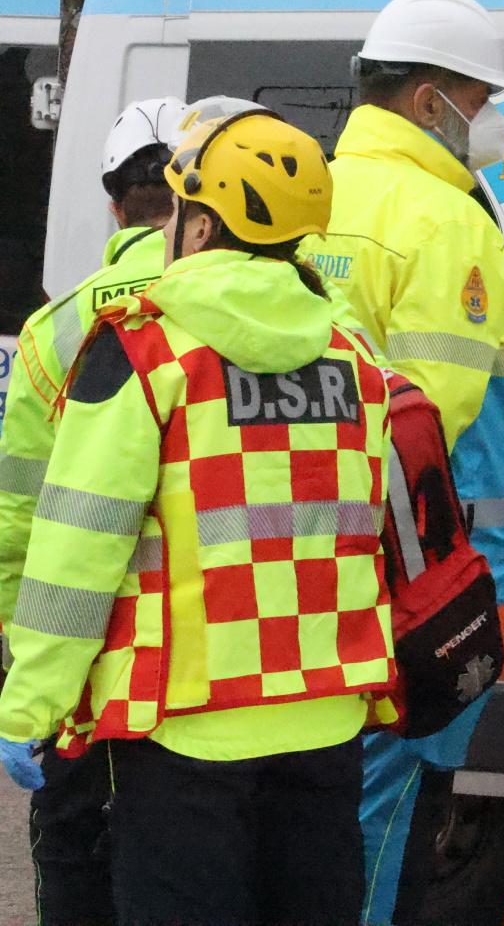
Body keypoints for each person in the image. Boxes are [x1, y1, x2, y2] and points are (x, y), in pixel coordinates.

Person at [0, 99, 395, 925]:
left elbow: (78, 543)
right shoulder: (355, 357)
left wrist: (31, 703)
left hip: (185, 728)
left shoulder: (145, 349)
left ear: (203, 226)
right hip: (326, 715)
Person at [299, 0, 504, 924]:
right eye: (478, 99)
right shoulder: (447, 215)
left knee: (329, 791)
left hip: (319, 545)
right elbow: (436, 410)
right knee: (392, 802)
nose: (484, 122)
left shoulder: (310, 189)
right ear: (428, 96)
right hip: (420, 561)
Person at [0, 96, 184, 926]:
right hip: (207, 663)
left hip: (82, 665)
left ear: (113, 204)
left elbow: (16, 518)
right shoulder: (245, 304)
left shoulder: (53, 330)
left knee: (73, 853)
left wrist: (27, 665)